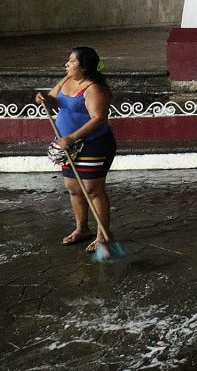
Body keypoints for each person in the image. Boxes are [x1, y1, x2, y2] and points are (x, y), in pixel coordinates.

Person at [35, 47, 117, 253]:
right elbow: (53, 99)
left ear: (84, 67)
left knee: (92, 190)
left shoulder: (93, 89)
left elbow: (99, 119)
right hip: (68, 146)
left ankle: (103, 236)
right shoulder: (65, 80)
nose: (67, 64)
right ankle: (82, 228)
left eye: (71, 61)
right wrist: (44, 99)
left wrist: (72, 136)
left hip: (94, 144)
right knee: (74, 188)